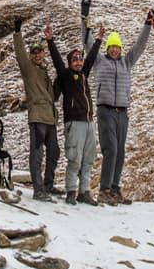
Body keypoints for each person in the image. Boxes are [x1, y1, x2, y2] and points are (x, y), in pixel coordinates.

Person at [81, 0, 153, 205]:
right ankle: (104, 189)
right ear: (107, 48)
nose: (114, 50)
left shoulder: (126, 62)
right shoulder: (99, 61)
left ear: (120, 48)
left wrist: (147, 24)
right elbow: (86, 41)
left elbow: (140, 45)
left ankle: (114, 188)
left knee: (120, 151)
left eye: (117, 47)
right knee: (111, 148)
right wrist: (84, 16)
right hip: (106, 110)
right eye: (111, 47)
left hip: (123, 111)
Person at [45, 21, 103, 205]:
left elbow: (91, 58)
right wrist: (50, 41)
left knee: (88, 159)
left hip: (89, 122)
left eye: (80, 59)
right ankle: (71, 190)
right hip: (74, 123)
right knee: (74, 158)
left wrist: (98, 40)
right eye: (75, 60)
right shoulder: (66, 76)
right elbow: (57, 61)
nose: (78, 63)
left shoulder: (84, 74)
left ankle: (84, 191)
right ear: (70, 63)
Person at [13, 18, 60, 201]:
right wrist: (17, 33)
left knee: (54, 152)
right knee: (37, 154)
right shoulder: (29, 69)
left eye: (39, 52)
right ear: (31, 55)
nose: (37, 55)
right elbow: (20, 54)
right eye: (34, 53)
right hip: (38, 117)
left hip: (50, 118)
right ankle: (38, 190)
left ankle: (48, 184)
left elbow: (52, 96)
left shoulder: (44, 72)